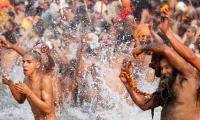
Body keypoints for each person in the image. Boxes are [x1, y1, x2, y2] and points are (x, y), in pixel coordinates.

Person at [120, 43, 200, 120]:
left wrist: (141, 48)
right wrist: (127, 83)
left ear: (176, 67)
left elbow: (164, 49)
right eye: (161, 69)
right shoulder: (166, 92)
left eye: (167, 67)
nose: (163, 72)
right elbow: (144, 104)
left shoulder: (191, 79)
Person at [2, 50, 56, 120]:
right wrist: (10, 84)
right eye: (23, 62)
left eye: (29, 62)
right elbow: (20, 100)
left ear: (37, 65)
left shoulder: (44, 81)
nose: (24, 65)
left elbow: (48, 109)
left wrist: (29, 92)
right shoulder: (26, 80)